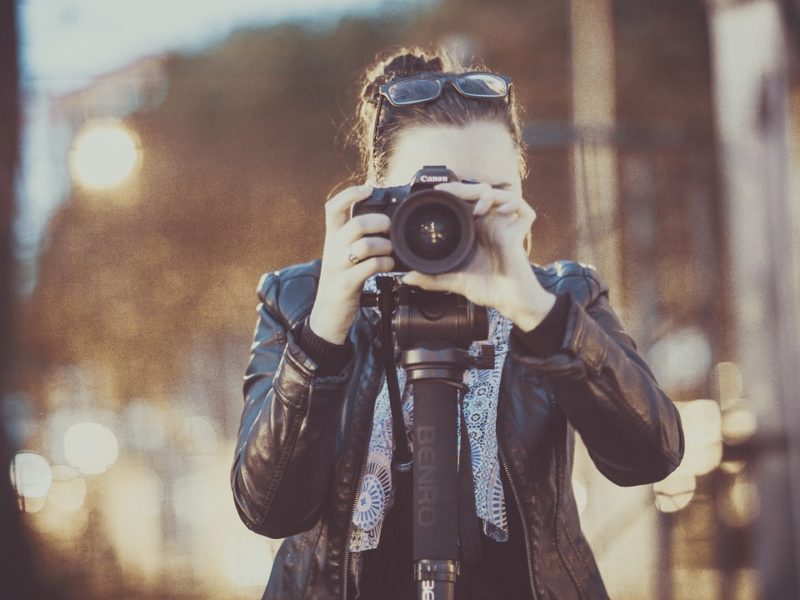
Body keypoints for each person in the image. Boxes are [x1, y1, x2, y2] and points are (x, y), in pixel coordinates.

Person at [231, 47, 684, 600]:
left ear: (520, 197)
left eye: (488, 197)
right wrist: (324, 330)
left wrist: (535, 313)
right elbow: (267, 508)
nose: (452, 224)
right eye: (432, 196)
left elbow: (651, 457)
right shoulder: (300, 299)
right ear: (375, 197)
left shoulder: (561, 298)